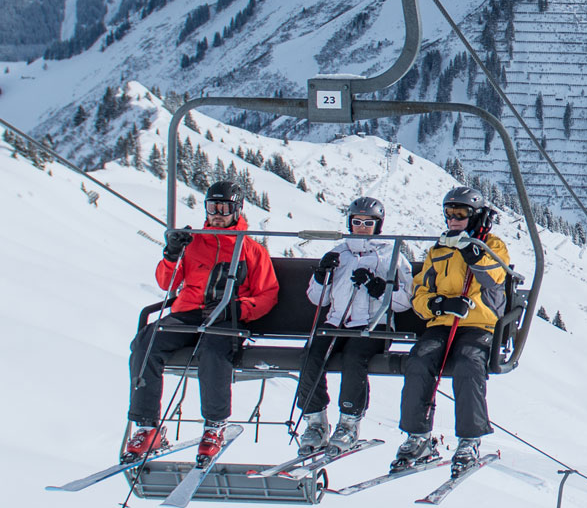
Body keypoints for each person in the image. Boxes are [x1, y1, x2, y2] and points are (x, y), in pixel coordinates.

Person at [123, 181, 280, 465]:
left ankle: (214, 426)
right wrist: (171, 254)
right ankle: (147, 427)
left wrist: (238, 309)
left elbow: (267, 295)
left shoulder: (251, 250)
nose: (217, 214)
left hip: (226, 317)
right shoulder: (193, 243)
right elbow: (164, 282)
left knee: (213, 352)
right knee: (145, 343)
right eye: (212, 207)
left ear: (237, 210)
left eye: (224, 208)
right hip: (188, 313)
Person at [394, 185, 513, 476]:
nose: (453, 219)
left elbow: (495, 276)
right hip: (442, 324)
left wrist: (475, 253)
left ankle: (469, 440)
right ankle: (417, 436)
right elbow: (419, 294)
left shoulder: (492, 245)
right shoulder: (439, 250)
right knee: (419, 361)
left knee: (469, 364)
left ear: (475, 216)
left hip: (478, 324)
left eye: (460, 213)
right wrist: (438, 304)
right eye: (449, 213)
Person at [290, 196, 399, 452]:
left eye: (368, 223)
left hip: (374, 325)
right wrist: (321, 276)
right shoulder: (339, 253)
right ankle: (315, 421)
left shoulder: (390, 255)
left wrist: (379, 289)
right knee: (312, 354)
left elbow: (405, 300)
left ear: (378, 226)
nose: (361, 227)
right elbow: (318, 299)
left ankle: (349, 423)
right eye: (357, 221)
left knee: (354, 357)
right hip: (337, 323)